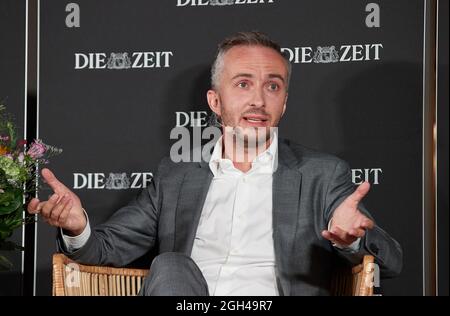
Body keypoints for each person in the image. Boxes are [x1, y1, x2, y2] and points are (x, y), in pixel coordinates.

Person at [27, 31, 402, 296]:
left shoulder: (321, 174)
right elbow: (103, 251)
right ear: (215, 101)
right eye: (242, 84)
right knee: (172, 265)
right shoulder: (176, 177)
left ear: (284, 102)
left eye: (272, 86)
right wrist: (77, 227)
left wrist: (354, 241)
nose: (258, 99)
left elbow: (391, 261)